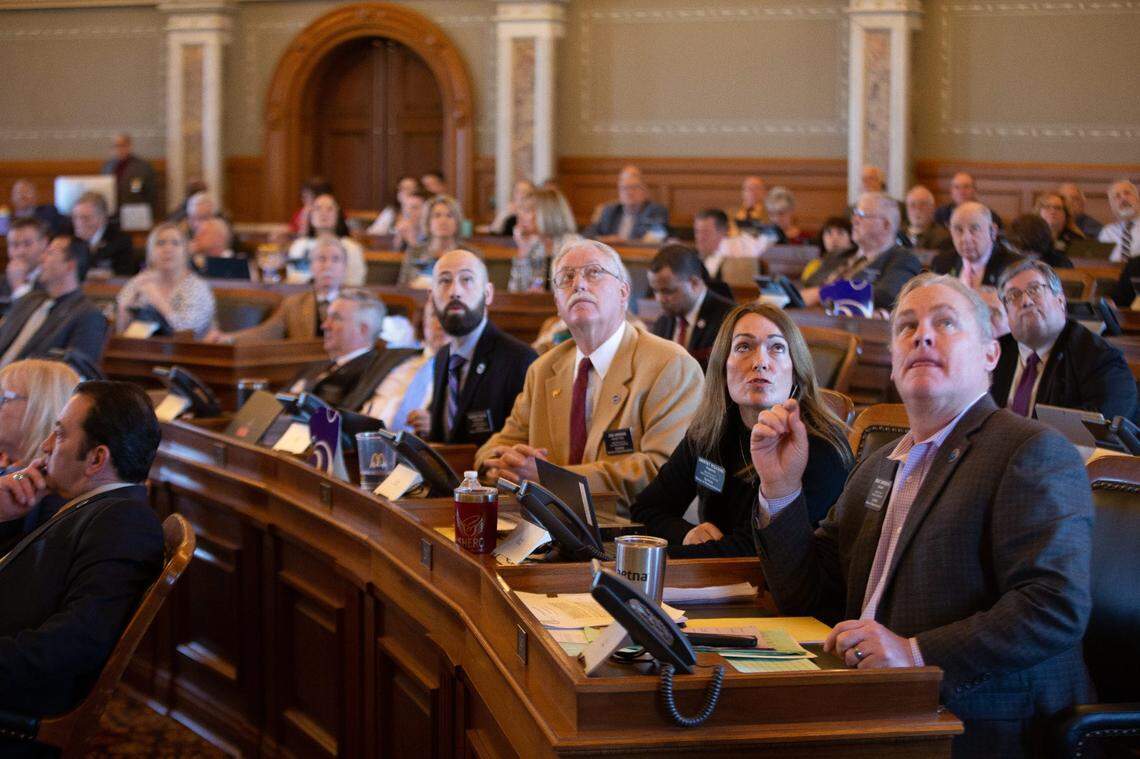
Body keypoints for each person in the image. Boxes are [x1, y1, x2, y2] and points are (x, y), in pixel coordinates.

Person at [751, 272, 1093, 757]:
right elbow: (808, 596)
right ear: (894, 362)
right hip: (872, 709)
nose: (923, 334)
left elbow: (1053, 606)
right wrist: (780, 488)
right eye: (907, 326)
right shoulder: (877, 461)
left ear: (990, 355)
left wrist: (915, 654)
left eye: (946, 322)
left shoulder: (1031, 452)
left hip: (983, 724)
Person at [475, 239, 703, 510]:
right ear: (557, 305)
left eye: (594, 273)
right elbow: (500, 443)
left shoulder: (670, 365)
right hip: (550, 530)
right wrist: (499, 464)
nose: (579, 284)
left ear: (623, 292)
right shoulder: (544, 369)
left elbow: (660, 472)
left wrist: (553, 480)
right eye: (566, 277)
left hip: (638, 535)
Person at [0, 380, 164, 728]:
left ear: (96, 458)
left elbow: (72, 644)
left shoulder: (124, 523)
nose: (44, 447)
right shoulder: (85, 505)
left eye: (58, 435)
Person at [631, 302, 851, 558]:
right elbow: (646, 509)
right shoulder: (710, 431)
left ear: (797, 371)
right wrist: (686, 535)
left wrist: (680, 555)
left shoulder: (821, 447)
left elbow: (757, 550)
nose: (760, 362)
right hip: (714, 582)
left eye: (777, 347)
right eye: (744, 347)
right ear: (723, 367)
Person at [407, 250, 537, 445]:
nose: (455, 292)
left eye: (467, 279)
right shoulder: (443, 358)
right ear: (431, 297)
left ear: (488, 294)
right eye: (444, 281)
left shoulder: (519, 360)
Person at [991, 259, 1135, 421]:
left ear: (1060, 301)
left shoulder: (1100, 360)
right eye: (1014, 295)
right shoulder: (993, 354)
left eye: (1035, 289)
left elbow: (1099, 431)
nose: (1025, 301)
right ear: (1007, 313)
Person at [288, 290, 418, 411]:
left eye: (336, 318)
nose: (325, 326)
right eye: (328, 317)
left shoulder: (368, 374)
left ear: (363, 329)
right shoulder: (317, 366)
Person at [213, 235, 347, 344]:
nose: (328, 265)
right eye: (321, 259)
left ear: (344, 267)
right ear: (311, 266)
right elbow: (266, 333)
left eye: (336, 259)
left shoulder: (355, 305)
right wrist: (227, 339)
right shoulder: (294, 304)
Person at [0, 234, 107, 367]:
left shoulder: (88, 315)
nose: (41, 258)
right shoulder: (29, 299)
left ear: (69, 265)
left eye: (49, 253)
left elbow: (76, 373)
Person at [801, 193, 922, 311]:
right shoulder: (838, 255)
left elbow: (886, 297)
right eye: (854, 214)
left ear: (886, 224)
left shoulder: (903, 259)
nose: (854, 220)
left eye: (862, 215)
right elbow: (808, 286)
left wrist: (824, 293)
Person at [115, 223, 215, 338]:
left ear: (185, 252)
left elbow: (188, 332)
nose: (168, 249)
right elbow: (120, 333)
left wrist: (157, 299)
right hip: (139, 349)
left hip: (185, 352)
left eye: (175, 243)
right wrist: (126, 306)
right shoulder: (139, 281)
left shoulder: (197, 287)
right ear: (150, 251)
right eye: (160, 243)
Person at [647, 244, 735, 370]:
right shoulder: (663, 322)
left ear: (695, 283)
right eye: (655, 291)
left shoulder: (728, 318)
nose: (660, 299)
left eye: (668, 291)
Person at [365, 299, 449, 431]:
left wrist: (438, 428)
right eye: (434, 315)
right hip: (357, 439)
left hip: (416, 447)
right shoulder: (392, 356)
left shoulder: (466, 371)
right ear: (425, 322)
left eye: (449, 316)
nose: (441, 324)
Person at [0, 359, 80, 473]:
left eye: (2, 398)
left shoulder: (41, 474)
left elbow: (19, 477)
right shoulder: (15, 466)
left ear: (40, 410)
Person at [932, 202, 1022, 289]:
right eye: (958, 230)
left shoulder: (1014, 266)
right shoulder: (941, 263)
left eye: (974, 229)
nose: (966, 238)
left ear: (993, 231)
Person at [508, 187, 578, 292]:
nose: (520, 216)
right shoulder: (535, 245)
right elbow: (515, 292)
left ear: (546, 214)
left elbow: (574, 290)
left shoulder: (573, 246)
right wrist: (523, 252)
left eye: (527, 211)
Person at [287, 193, 366, 286]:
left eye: (330, 209)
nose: (323, 213)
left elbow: (355, 282)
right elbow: (294, 280)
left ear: (338, 215)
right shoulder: (299, 245)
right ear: (310, 216)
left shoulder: (351, 247)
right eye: (318, 208)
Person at [397, 194, 472, 287]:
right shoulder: (415, 252)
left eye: (449, 215)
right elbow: (402, 287)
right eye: (437, 216)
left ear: (457, 222)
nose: (443, 221)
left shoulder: (470, 254)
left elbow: (478, 289)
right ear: (428, 222)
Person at [584, 168, 669, 242]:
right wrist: (604, 239)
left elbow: (655, 236)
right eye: (624, 188)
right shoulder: (609, 210)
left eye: (634, 188)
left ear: (644, 192)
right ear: (619, 192)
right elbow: (587, 235)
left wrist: (623, 241)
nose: (629, 192)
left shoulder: (655, 210)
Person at [69, 191, 138, 276]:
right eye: (75, 217)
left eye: (85, 218)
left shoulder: (121, 241)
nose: (78, 223)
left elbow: (124, 274)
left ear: (102, 218)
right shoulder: (70, 241)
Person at [691, 209, 752, 300]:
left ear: (723, 232)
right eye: (697, 231)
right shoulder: (692, 258)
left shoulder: (736, 262)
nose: (699, 237)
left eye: (706, 232)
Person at [1, 218, 49, 314]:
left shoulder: (53, 281)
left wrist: (18, 285)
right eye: (14, 245)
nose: (20, 252)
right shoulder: (1, 282)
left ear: (44, 243)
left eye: (27, 244)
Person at [101, 132, 157, 210]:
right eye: (115, 146)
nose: (119, 149)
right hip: (112, 209)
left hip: (134, 208)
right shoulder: (107, 166)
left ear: (129, 146)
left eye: (122, 145)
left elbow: (150, 193)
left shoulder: (142, 167)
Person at [801, 216, 857, 288]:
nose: (834, 239)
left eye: (840, 233)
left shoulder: (855, 263)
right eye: (829, 233)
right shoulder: (814, 265)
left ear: (852, 238)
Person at [934, 171, 1003, 228]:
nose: (961, 191)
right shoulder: (941, 214)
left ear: (974, 190)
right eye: (957, 187)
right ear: (951, 191)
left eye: (966, 187)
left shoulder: (988, 214)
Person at [1006, 213, 1073, 269]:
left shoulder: (1061, 263)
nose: (1028, 258)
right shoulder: (1006, 262)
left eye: (1031, 253)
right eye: (1021, 251)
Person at [1098, 179, 1139, 262]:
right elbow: (1100, 264)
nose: (1123, 199)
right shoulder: (1107, 232)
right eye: (1117, 196)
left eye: (1127, 193)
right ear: (1112, 207)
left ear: (1138, 199)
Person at [902, 185, 952, 252]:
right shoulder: (896, 234)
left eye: (923, 204)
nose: (917, 209)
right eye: (912, 205)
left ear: (932, 208)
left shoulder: (943, 237)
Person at [1034, 191, 1084, 255]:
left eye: (1057, 208)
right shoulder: (1030, 237)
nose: (1052, 211)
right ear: (1038, 212)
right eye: (1047, 207)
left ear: (1066, 215)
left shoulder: (1075, 240)